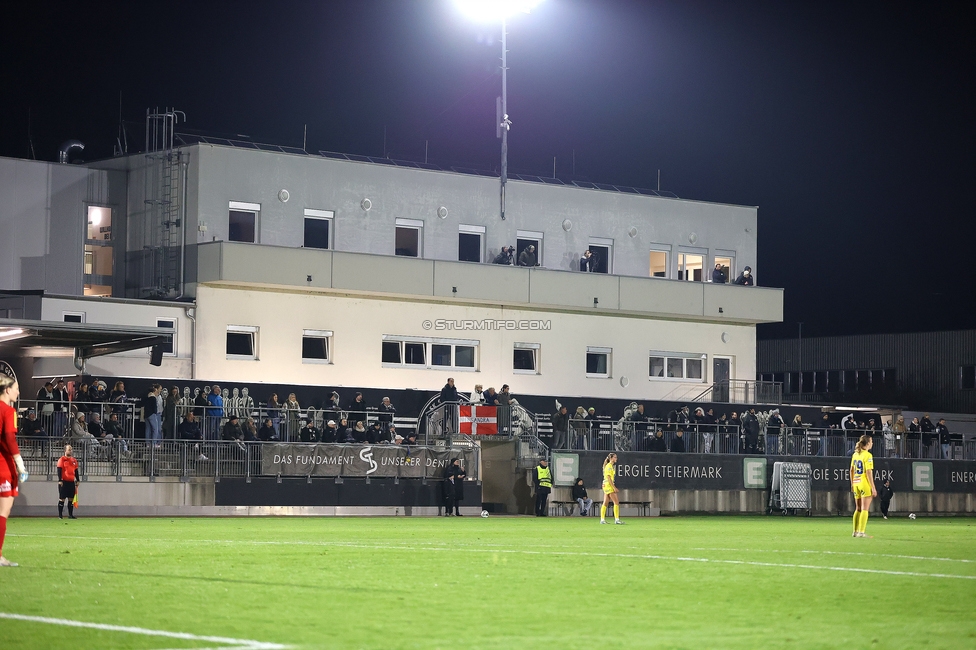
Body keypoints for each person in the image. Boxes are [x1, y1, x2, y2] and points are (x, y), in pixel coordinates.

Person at [1, 375, 28, 566]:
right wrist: (20, 465)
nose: (18, 392)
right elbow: (10, 439)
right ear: (7, 390)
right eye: (16, 388)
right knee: (3, 511)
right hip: (3, 465)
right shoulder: (9, 411)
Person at [850, 434, 877, 538]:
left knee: (858, 508)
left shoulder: (855, 454)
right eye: (871, 441)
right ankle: (861, 532)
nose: (872, 443)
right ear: (868, 443)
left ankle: (855, 531)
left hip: (856, 482)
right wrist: (873, 487)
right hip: (864, 483)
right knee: (865, 508)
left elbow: (851, 470)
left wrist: (852, 483)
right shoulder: (868, 455)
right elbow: (868, 472)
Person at [56, 444, 79, 519]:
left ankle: (70, 515)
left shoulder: (74, 460)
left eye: (71, 449)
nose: (70, 451)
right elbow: (59, 470)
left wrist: (77, 479)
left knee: (71, 498)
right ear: (65, 450)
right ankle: (60, 515)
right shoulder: (62, 459)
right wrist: (60, 480)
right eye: (69, 449)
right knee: (62, 498)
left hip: (71, 482)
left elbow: (76, 471)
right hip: (64, 482)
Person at [600, 453, 623, 525]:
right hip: (608, 485)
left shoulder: (609, 466)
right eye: (615, 457)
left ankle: (602, 519)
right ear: (611, 458)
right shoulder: (609, 466)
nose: (616, 459)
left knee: (605, 503)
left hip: (605, 485)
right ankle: (617, 519)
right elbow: (609, 478)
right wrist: (614, 487)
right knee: (616, 502)